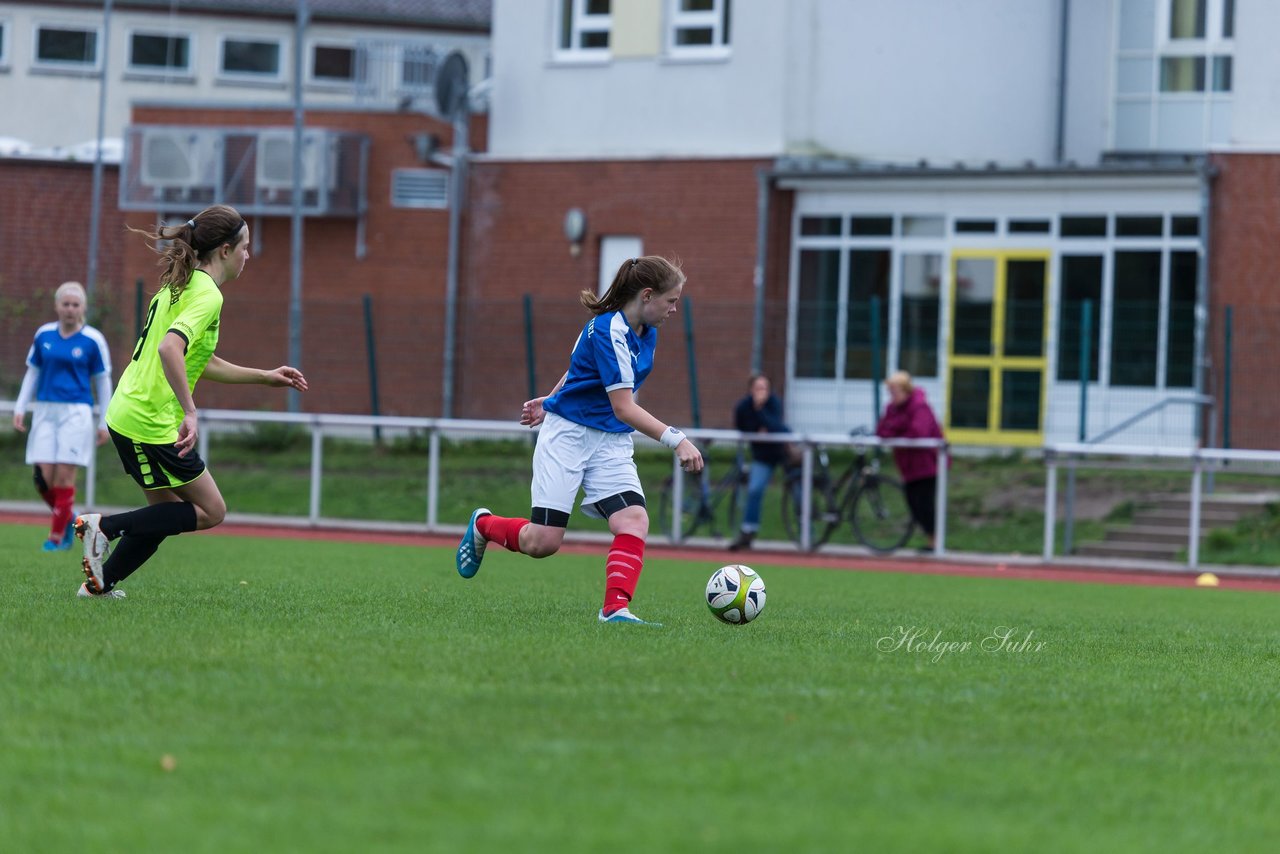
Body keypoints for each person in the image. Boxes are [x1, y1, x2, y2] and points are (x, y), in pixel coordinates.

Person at [74, 204, 308, 599]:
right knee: (212, 511)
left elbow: (199, 358)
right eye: (245, 247)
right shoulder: (207, 295)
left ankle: (98, 586)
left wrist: (263, 376)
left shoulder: (179, 286)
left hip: (130, 413)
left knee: (161, 517)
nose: (248, 256)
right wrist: (191, 411)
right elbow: (170, 349)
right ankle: (104, 528)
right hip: (148, 419)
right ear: (224, 251)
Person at [455, 255, 704, 626]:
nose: (674, 309)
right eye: (671, 300)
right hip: (569, 436)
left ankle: (615, 609)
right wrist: (677, 439)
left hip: (610, 443)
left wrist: (550, 397)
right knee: (542, 543)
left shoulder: (644, 332)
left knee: (634, 520)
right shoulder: (607, 330)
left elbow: (578, 368)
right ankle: (483, 525)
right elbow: (623, 407)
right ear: (648, 296)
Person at [12, 281, 113, 551]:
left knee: (64, 478)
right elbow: (32, 372)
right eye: (65, 304)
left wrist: (105, 421)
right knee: (42, 479)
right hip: (45, 410)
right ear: (57, 306)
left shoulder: (93, 340)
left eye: (75, 304)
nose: (70, 309)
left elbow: (103, 382)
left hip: (76, 413)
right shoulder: (44, 334)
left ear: (83, 308)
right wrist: (20, 407)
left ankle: (55, 539)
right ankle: (71, 521)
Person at [875, 370, 945, 550]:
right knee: (913, 504)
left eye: (895, 391)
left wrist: (896, 428)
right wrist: (896, 429)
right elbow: (882, 430)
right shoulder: (892, 408)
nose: (892, 395)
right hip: (907, 465)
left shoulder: (920, 406)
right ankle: (931, 538)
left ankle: (935, 541)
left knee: (925, 504)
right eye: (890, 391)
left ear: (905, 390)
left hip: (927, 464)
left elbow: (918, 432)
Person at [727, 373, 793, 552]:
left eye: (765, 388)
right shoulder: (743, 406)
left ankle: (807, 532)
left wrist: (760, 411)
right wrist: (757, 413)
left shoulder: (774, 403)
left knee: (799, 493)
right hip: (762, 457)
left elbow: (775, 426)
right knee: (754, 490)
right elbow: (744, 427)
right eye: (758, 388)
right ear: (751, 389)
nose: (762, 392)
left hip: (784, 455)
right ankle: (748, 531)